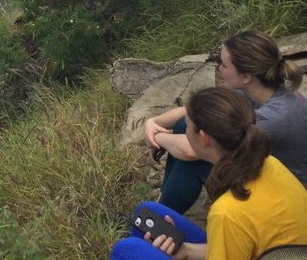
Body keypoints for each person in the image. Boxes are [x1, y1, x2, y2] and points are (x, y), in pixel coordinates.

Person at [112, 87, 307, 259]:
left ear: (204, 138)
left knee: (127, 250)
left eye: (187, 124)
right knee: (148, 212)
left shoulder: (226, 213)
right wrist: (187, 252)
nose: (183, 129)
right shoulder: (269, 163)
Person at [144, 31, 307, 213]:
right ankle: (160, 210)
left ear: (245, 76)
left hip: (289, 198)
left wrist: (158, 138)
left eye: (224, 64)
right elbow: (194, 111)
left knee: (196, 159)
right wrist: (153, 122)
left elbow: (192, 150)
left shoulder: (275, 117)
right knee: (186, 124)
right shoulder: (256, 90)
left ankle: (156, 219)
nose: (219, 69)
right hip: (268, 174)